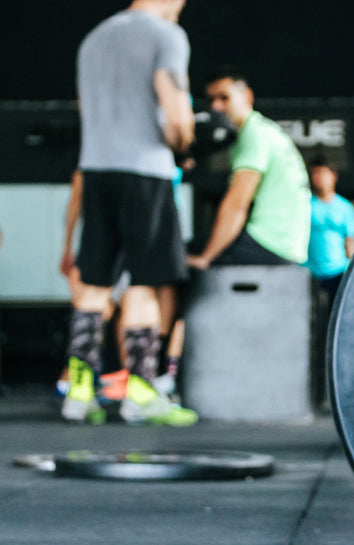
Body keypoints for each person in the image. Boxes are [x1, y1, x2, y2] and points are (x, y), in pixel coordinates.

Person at [61, 0, 197, 426]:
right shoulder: (166, 35)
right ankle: (140, 395)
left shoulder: (93, 38)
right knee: (145, 282)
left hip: (97, 168)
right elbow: (175, 109)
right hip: (146, 171)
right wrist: (185, 143)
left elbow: (88, 111)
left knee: (94, 284)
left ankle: (79, 393)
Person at [187, 66, 311, 269]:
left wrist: (206, 258)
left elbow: (237, 204)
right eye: (211, 100)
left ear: (247, 97)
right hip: (289, 247)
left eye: (224, 97)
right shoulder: (263, 130)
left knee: (171, 259)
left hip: (269, 245)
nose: (216, 107)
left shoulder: (253, 134)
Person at [305, 155, 354, 306]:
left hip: (338, 273)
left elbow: (351, 242)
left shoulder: (345, 207)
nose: (318, 178)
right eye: (315, 173)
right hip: (311, 273)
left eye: (322, 173)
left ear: (333, 176)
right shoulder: (305, 205)